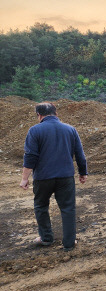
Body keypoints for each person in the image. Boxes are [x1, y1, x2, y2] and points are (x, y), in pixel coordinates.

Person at [19, 102, 88, 252]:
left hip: (43, 177)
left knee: (41, 206)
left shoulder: (34, 131)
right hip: (65, 177)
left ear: (39, 115)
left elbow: (30, 156)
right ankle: (69, 243)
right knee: (68, 208)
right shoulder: (70, 129)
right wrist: (83, 172)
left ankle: (46, 238)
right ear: (56, 114)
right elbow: (80, 154)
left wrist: (25, 178)